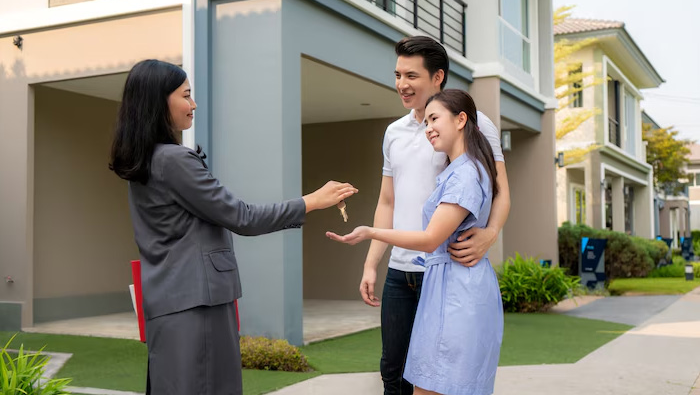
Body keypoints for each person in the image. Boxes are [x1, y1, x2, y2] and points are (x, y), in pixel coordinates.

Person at [109, 59, 357, 395]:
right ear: (159, 101)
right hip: (198, 306)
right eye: (186, 95)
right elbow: (242, 216)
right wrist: (311, 201)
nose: (193, 104)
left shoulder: (143, 161)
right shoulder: (174, 160)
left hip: (169, 301)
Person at [358, 36, 510, 394]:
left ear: (437, 76)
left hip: (442, 272)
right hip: (400, 271)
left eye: (411, 75)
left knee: (437, 377)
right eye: (397, 75)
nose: (401, 84)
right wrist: (371, 264)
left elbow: (502, 190)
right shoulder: (393, 133)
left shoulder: (471, 123)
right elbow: (387, 201)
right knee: (391, 371)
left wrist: (490, 234)